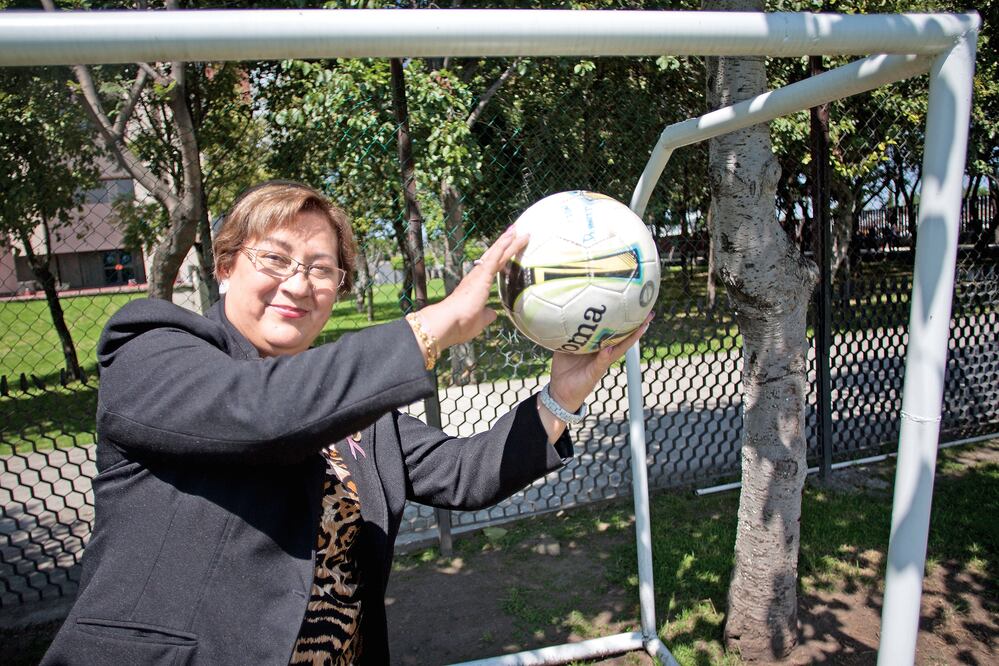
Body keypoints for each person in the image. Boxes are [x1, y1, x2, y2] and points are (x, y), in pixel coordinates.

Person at [42, 180, 651, 665]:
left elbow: (463, 474)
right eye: (274, 258)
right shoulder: (152, 346)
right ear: (226, 266)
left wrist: (562, 396)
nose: (298, 283)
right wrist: (436, 325)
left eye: (321, 268)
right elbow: (258, 412)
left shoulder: (353, 411)